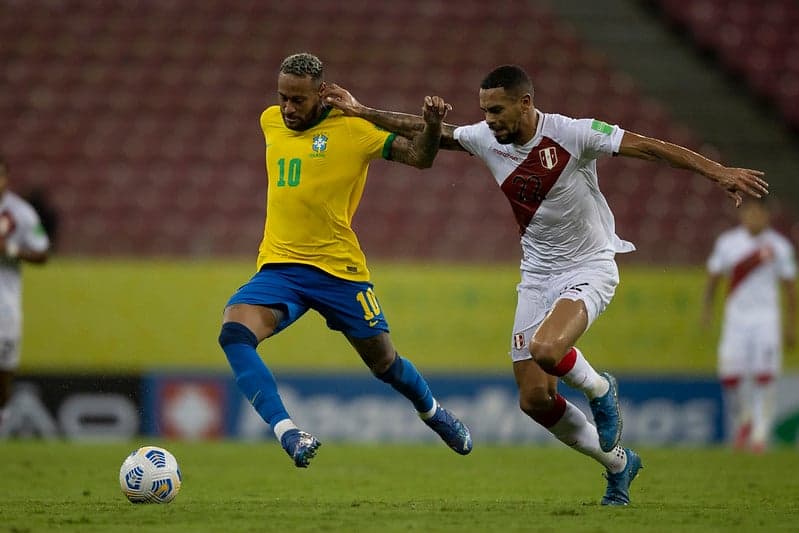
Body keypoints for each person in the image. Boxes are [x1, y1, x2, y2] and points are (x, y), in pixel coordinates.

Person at [321, 64, 769, 505]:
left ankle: (599, 388)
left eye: (497, 110)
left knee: (547, 350)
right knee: (534, 399)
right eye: (485, 110)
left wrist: (718, 172)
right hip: (536, 278)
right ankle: (618, 465)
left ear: (525, 103)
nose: (489, 120)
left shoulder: (572, 134)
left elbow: (649, 147)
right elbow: (431, 130)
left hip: (590, 267)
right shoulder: (485, 138)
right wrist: (362, 110)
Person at [218, 52, 472, 469]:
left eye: (298, 100)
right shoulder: (269, 121)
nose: (287, 108)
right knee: (233, 331)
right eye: (283, 97)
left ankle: (433, 412)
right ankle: (289, 433)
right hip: (280, 267)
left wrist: (428, 125)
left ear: (322, 93)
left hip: (340, 272)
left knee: (385, 364)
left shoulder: (354, 129)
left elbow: (421, 158)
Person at [702, 200, 796, 453]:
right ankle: (746, 416)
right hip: (736, 319)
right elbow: (714, 277)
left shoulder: (779, 245)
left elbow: (789, 287)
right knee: (730, 375)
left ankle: (760, 434)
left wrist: (791, 324)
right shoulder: (728, 243)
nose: (754, 217)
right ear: (743, 214)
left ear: (767, 215)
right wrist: (707, 309)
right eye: (749, 211)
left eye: (759, 212)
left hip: (766, 319)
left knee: (764, 374)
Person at [0, 156, 50, 431]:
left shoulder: (22, 213)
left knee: (3, 372)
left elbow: (43, 253)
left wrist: (10, 250)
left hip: (4, 307)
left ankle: (2, 418)